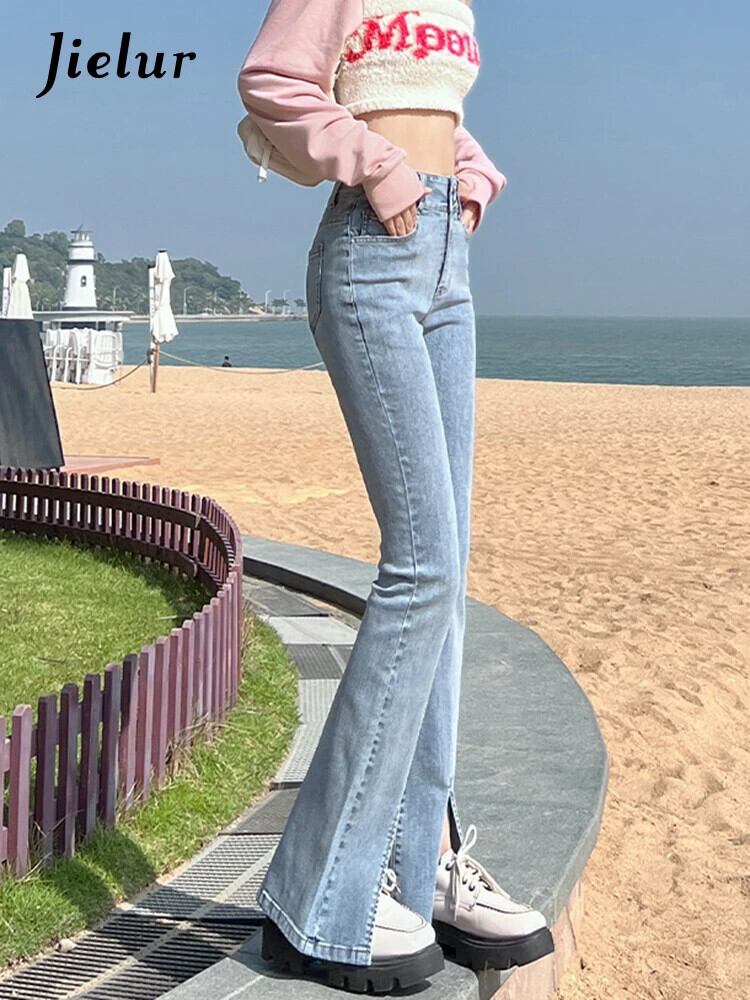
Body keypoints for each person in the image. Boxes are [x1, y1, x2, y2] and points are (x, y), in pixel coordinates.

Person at [237, 0, 555, 992]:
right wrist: (379, 167)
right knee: (421, 567)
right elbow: (274, 83)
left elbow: (423, 104)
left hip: (448, 262)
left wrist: (472, 170)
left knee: (446, 579)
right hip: (370, 257)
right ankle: (321, 890)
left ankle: (424, 865)